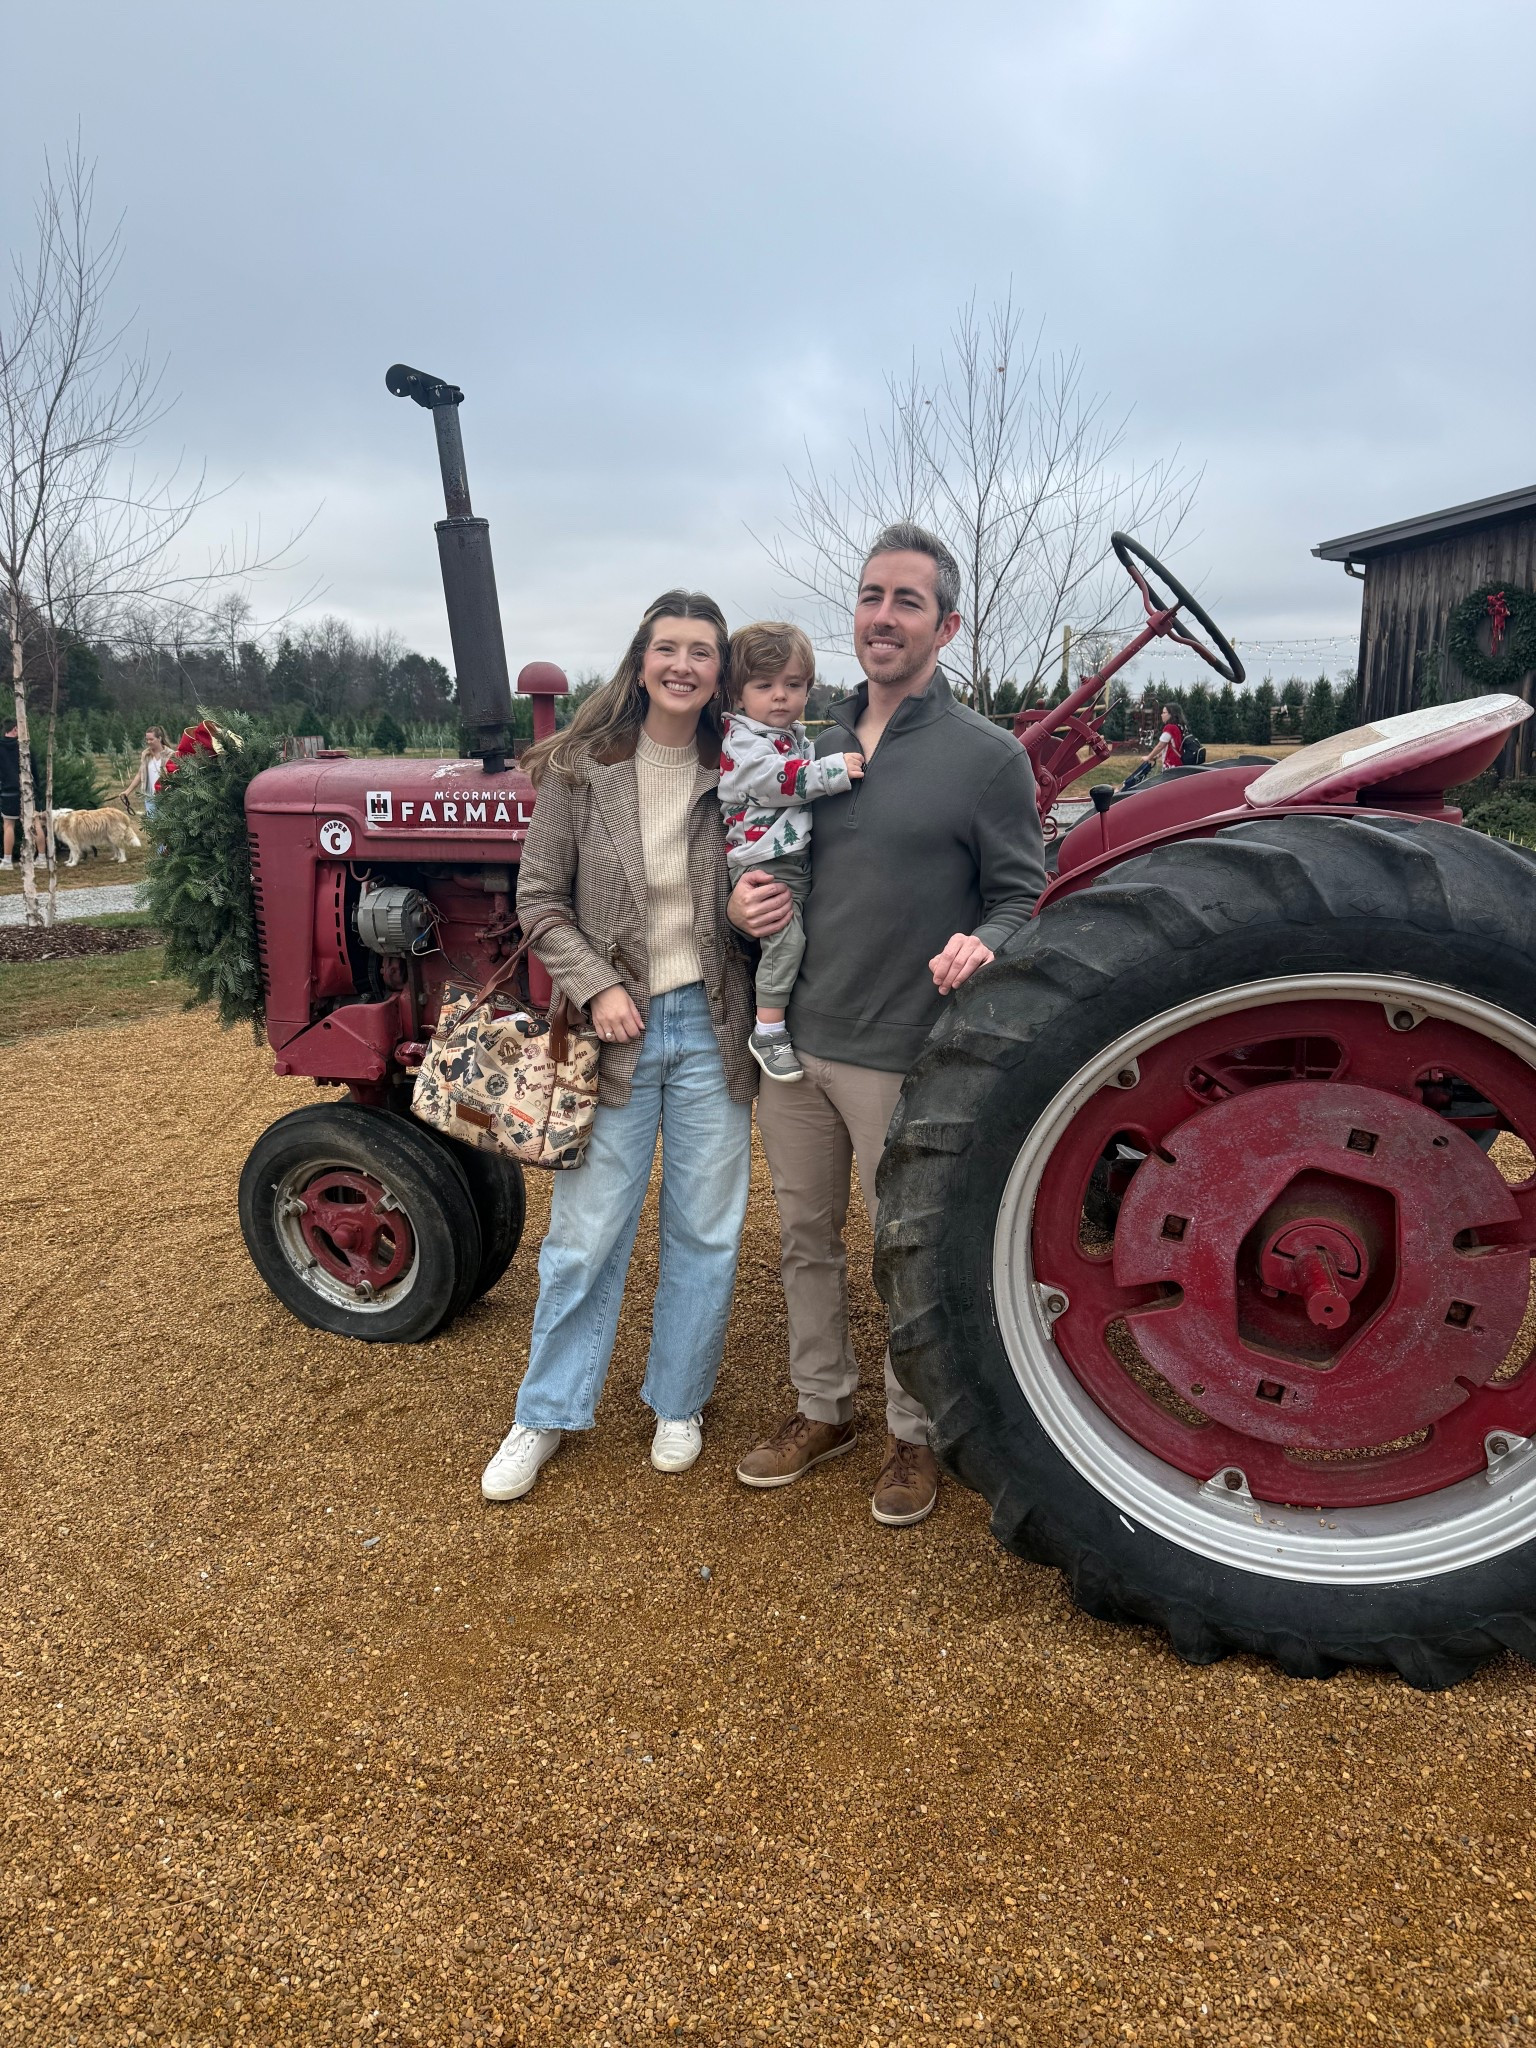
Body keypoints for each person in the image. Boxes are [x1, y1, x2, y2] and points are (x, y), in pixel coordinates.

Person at [730, 523, 1046, 1528]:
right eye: (872, 595)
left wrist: (986, 944)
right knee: (805, 1240)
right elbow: (760, 860)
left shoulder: (985, 758)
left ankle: (917, 1429)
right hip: (794, 1046)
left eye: (908, 600)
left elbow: (1022, 895)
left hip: (902, 1053)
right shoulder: (806, 747)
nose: (883, 615)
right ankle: (825, 1407)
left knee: (901, 1249)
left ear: (946, 624)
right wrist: (744, 909)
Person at [479, 591, 758, 1505]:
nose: (683, 665)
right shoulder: (579, 770)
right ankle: (548, 1409)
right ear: (641, 658)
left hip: (715, 1028)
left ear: (721, 674)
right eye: (667, 647)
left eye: (702, 653)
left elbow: (779, 881)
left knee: (707, 1231)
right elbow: (539, 903)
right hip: (615, 1036)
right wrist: (595, 985)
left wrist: (756, 914)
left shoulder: (745, 770)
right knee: (585, 1235)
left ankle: (678, 1399)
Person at [718, 621, 863, 1084]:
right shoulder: (742, 744)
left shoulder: (792, 737)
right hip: (765, 861)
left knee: (805, 934)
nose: (780, 695)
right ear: (739, 695)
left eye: (793, 684)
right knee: (786, 939)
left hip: (788, 856)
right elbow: (779, 781)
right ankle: (768, 1029)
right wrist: (833, 771)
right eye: (764, 685)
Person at [0, 716, 46, 870]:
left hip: (8, 792)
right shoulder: (24, 748)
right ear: (15, 729)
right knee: (36, 824)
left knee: (8, 825)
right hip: (27, 791)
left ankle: (6, 861)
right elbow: (35, 771)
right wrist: (37, 788)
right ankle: (41, 858)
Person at [124, 727, 173, 818]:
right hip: (149, 797)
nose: (148, 742)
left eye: (151, 739)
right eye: (147, 739)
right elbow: (140, 774)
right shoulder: (145, 754)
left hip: (165, 797)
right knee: (153, 826)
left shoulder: (170, 754)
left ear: (159, 738)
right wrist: (127, 791)